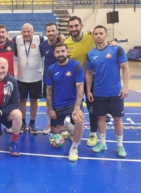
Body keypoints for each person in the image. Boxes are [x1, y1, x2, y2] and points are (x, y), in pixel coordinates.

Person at [86, 25, 130, 158]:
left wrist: (126, 87)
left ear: (106, 35)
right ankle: (102, 143)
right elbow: (88, 73)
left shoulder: (116, 49)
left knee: (117, 119)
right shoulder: (90, 54)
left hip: (115, 92)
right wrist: (88, 90)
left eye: (101, 33)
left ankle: (119, 145)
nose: (98, 36)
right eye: (96, 34)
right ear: (93, 36)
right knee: (101, 118)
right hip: (99, 92)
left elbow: (125, 68)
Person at [46, 42, 85, 162]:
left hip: (73, 103)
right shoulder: (51, 69)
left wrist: (77, 108)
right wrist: (51, 109)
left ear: (67, 52)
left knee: (79, 121)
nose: (60, 54)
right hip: (58, 104)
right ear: (54, 54)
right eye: (58, 52)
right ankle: (69, 128)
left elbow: (80, 87)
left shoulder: (76, 66)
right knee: (55, 132)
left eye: (63, 51)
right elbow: (49, 90)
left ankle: (74, 147)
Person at [64, 16, 98, 146]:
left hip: (92, 78)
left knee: (92, 107)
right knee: (75, 106)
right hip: (75, 82)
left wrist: (112, 43)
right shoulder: (66, 43)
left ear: (81, 26)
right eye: (71, 26)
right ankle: (74, 131)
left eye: (76, 26)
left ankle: (93, 134)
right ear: (68, 28)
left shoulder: (91, 37)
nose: (74, 29)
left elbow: (103, 42)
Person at [13, 23, 45, 134]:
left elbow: (54, 37)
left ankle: (32, 123)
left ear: (33, 31)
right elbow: (5, 40)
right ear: (21, 32)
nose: (26, 34)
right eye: (24, 31)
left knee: (33, 101)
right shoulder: (16, 39)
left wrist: (61, 36)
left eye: (29, 31)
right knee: (21, 101)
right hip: (21, 78)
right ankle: (22, 123)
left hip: (36, 78)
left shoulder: (40, 39)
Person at [40, 23, 60, 134]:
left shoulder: (62, 42)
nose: (51, 33)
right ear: (46, 33)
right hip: (48, 80)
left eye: (53, 30)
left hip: (62, 80)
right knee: (49, 102)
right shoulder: (42, 46)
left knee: (61, 102)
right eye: (49, 31)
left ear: (57, 31)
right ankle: (49, 124)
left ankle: (60, 124)